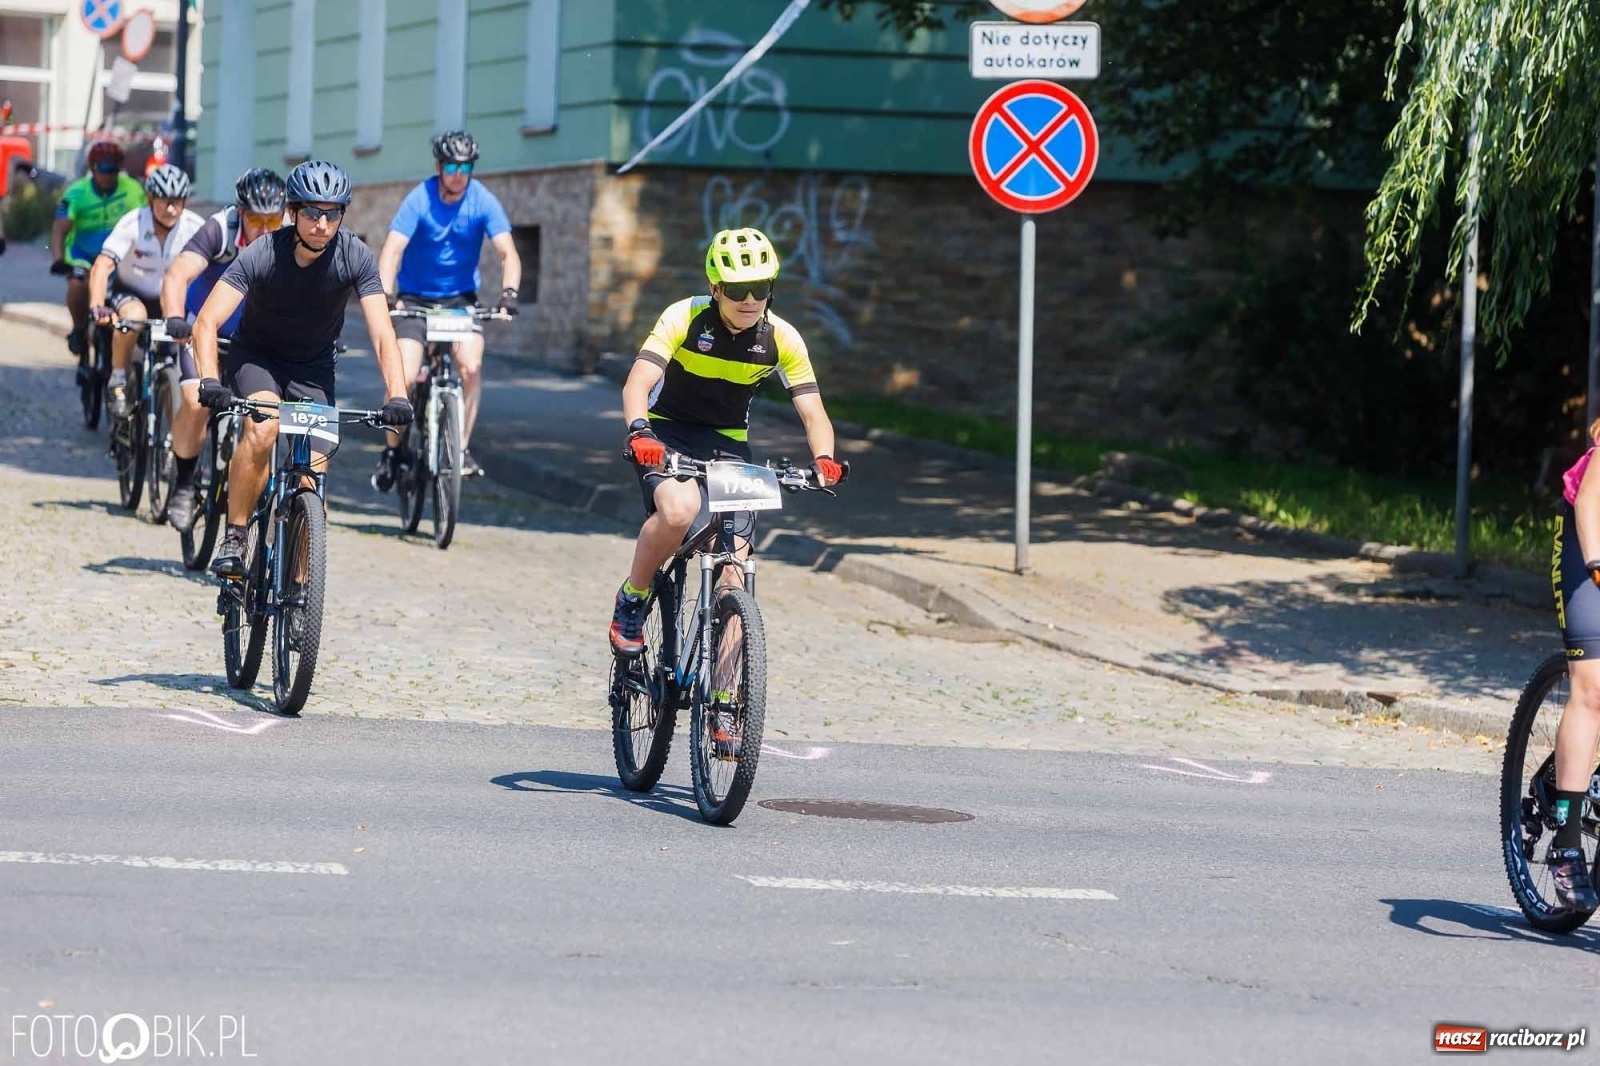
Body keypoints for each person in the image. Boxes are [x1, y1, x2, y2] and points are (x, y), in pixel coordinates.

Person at [609, 227, 843, 658]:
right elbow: (637, 383)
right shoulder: (684, 316)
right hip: (666, 432)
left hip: (728, 444)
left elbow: (814, 412)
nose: (750, 299)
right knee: (679, 510)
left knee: (735, 569)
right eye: (737, 289)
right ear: (715, 288)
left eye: (761, 288)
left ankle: (725, 691)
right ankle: (633, 597)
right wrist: (640, 431)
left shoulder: (782, 338)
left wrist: (824, 459)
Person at [189, 160, 414, 578]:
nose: (322, 224)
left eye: (333, 213)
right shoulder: (263, 253)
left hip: (313, 368)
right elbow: (206, 322)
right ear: (292, 212)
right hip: (258, 358)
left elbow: (384, 334)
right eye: (312, 212)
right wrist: (208, 380)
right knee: (263, 429)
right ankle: (235, 536)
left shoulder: (355, 256)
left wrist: (397, 395)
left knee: (313, 480)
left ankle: (298, 591)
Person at [371, 129, 520, 490]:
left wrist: (509, 294)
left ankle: (461, 449)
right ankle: (392, 451)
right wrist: (387, 296)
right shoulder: (419, 199)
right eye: (451, 166)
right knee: (404, 375)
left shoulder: (482, 200)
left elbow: (508, 253)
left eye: (465, 167)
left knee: (471, 367)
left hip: (459, 301)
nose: (458, 173)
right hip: (415, 299)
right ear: (439, 166)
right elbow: (391, 251)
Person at [158, 167, 288, 531]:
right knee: (196, 401)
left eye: (273, 220)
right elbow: (177, 275)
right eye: (256, 220)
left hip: (257, 343)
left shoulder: (292, 235)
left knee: (264, 418)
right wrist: (174, 317)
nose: (265, 229)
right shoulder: (220, 229)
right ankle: (184, 484)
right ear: (241, 213)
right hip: (206, 333)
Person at [87, 164, 205, 420]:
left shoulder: (195, 226)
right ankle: (118, 380)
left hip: (173, 301)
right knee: (134, 317)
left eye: (177, 201)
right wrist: (97, 305)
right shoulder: (134, 222)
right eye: (164, 201)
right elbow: (102, 265)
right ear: (151, 199)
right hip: (131, 292)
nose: (171, 209)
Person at [1549, 434, 1600, 911]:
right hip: (1588, 546)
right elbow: (1588, 502)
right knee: (1593, 689)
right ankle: (1566, 846)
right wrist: (1597, 565)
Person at [50, 140, 146, 358]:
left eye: (114, 169)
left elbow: (144, 224)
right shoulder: (76, 192)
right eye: (103, 168)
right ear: (93, 169)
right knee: (78, 284)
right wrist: (58, 259)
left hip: (119, 255)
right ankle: (78, 329)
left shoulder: (132, 189)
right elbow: (59, 230)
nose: (108, 175)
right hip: (82, 254)